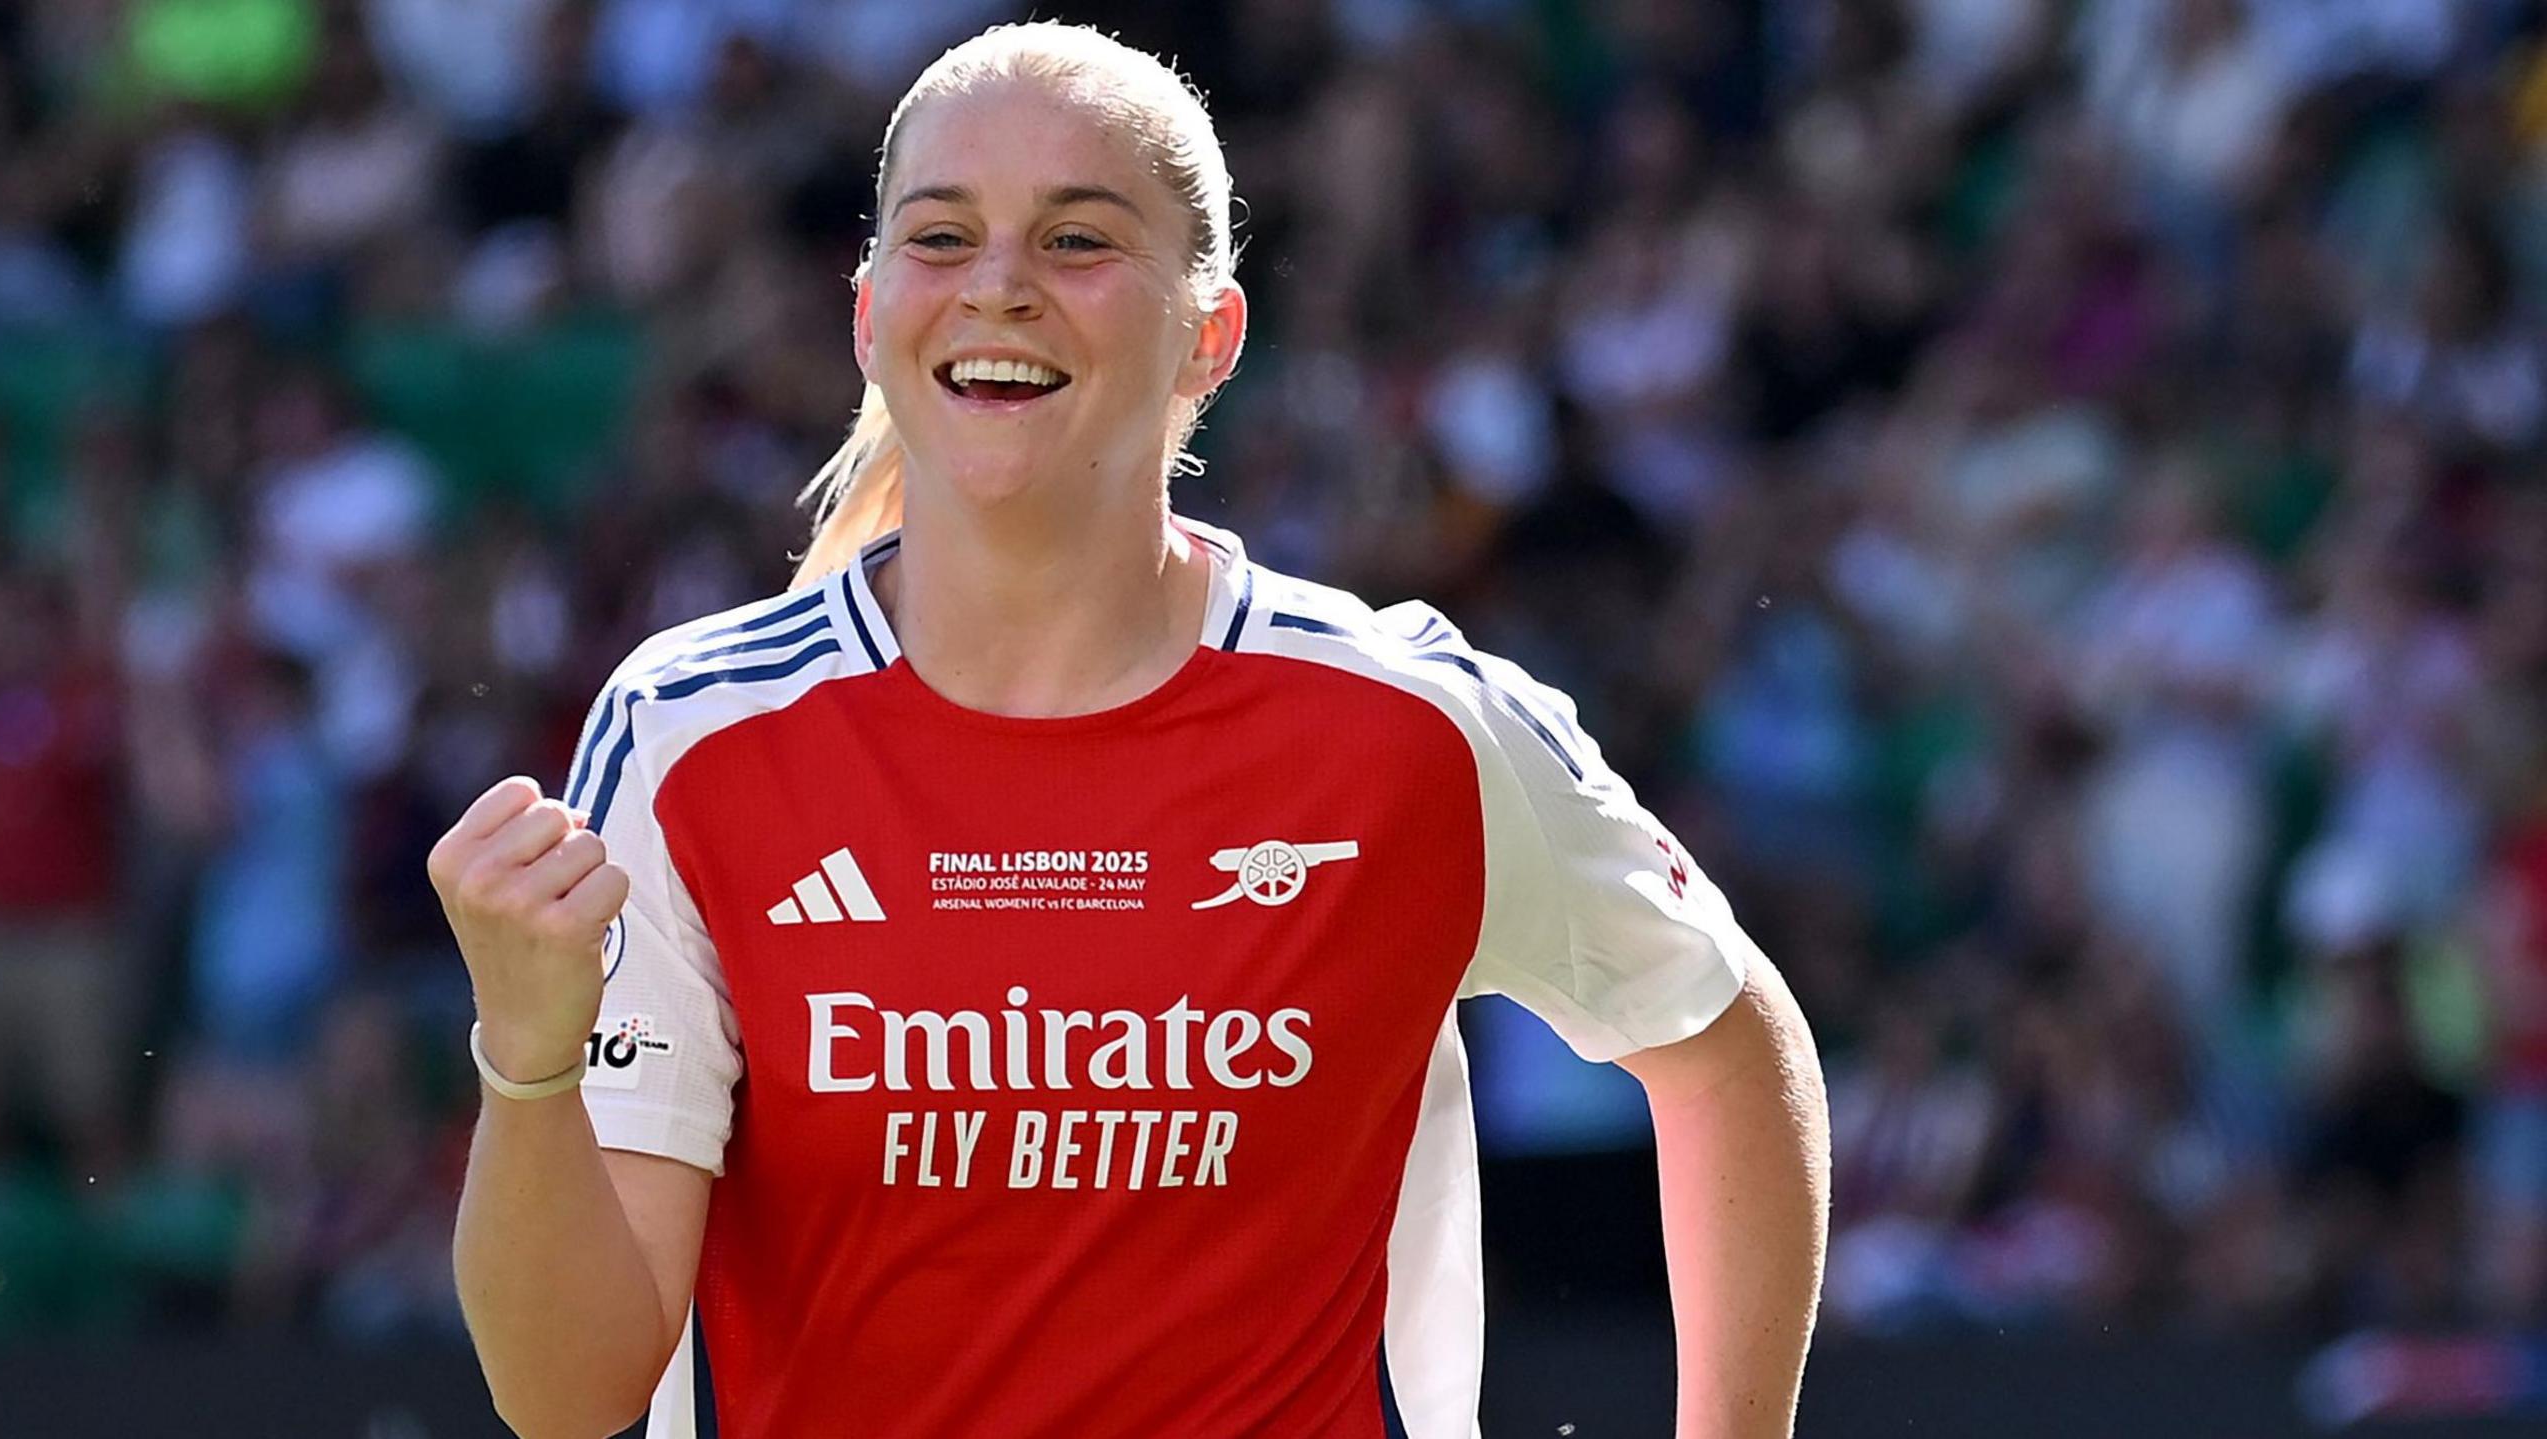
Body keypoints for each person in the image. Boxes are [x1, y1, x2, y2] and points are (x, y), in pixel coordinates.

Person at [429, 22, 1828, 1438]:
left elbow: (1723, 1042)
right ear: (868, 312)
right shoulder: (691, 737)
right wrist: (530, 1059)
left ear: (1209, 333)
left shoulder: (1413, 729)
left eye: (1077, 241)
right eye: (942, 236)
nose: (998, 289)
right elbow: (568, 1396)